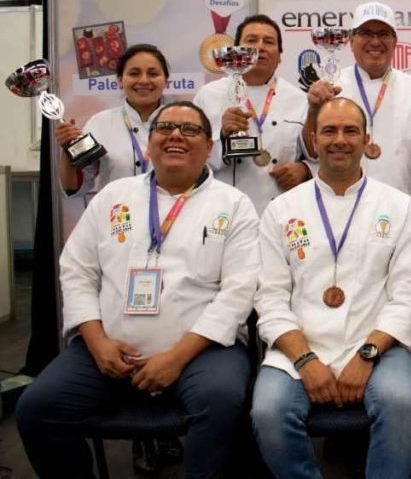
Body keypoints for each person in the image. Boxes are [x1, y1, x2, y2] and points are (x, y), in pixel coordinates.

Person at [17, 101, 259, 478]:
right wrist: (96, 342)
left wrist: (177, 357)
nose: (176, 135)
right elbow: (77, 271)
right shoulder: (112, 198)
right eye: (165, 128)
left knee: (222, 401)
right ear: (149, 144)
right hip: (107, 349)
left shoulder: (234, 205)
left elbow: (238, 291)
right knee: (37, 409)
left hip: (201, 351)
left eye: (190, 129)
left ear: (209, 147)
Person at [251, 98, 411, 478]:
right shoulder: (282, 209)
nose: (339, 140)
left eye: (350, 131)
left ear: (367, 139)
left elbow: (408, 294)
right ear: (313, 139)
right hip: (300, 345)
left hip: (379, 345)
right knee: (268, 411)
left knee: (397, 400)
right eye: (329, 130)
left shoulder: (399, 206)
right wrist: (304, 360)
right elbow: (270, 297)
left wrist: (366, 354)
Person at [194, 14, 312, 213]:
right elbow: (192, 158)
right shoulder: (208, 96)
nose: (260, 47)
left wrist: (306, 169)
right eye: (251, 40)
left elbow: (314, 154)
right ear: (236, 50)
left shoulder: (300, 99)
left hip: (283, 210)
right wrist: (222, 137)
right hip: (222, 211)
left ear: (280, 56)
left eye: (269, 42)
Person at [304, 1, 411, 198]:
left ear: (395, 41)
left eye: (383, 34)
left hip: (400, 203)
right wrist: (314, 110)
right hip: (340, 201)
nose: (375, 42)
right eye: (366, 33)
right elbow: (310, 151)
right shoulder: (329, 86)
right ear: (351, 41)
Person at [56, 43, 169, 204]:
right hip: (115, 218)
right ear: (120, 80)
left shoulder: (181, 124)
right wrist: (68, 151)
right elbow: (74, 188)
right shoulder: (100, 123)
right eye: (134, 73)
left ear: (166, 81)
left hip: (170, 219)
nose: (144, 80)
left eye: (153, 73)